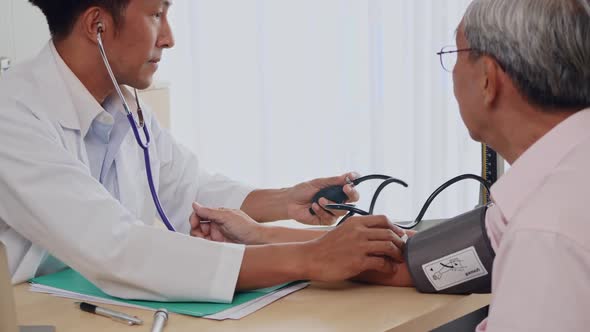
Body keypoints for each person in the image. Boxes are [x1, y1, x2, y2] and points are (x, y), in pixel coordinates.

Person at [192, 0, 590, 329]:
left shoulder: (546, 234)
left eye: (454, 55)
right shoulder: (553, 184)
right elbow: (417, 262)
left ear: (488, 78)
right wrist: (259, 235)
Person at [0, 0, 407, 303]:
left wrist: (287, 199)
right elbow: (116, 247)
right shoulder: (12, 115)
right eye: (156, 14)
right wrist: (308, 257)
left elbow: (192, 188)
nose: (169, 38)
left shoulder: (123, 107)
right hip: (30, 313)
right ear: (98, 25)